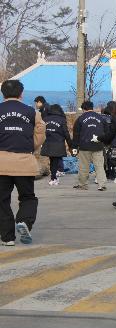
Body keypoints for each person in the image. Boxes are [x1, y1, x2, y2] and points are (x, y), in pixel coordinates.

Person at [0, 80, 45, 246]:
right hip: (24, 162)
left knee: (2, 200)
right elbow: (40, 135)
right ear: (21, 94)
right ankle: (24, 221)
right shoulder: (32, 112)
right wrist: (27, 146)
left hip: (1, 163)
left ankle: (7, 237)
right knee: (27, 197)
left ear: (3, 93)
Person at [72, 101, 107, 191]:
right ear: (92, 107)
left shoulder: (80, 119)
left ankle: (83, 184)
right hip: (98, 145)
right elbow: (106, 131)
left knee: (83, 166)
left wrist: (74, 147)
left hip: (84, 146)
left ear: (83, 109)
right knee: (99, 166)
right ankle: (102, 184)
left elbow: (76, 134)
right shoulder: (101, 118)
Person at [40, 104, 73, 186]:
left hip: (48, 143)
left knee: (52, 160)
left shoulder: (45, 119)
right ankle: (54, 178)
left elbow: (41, 131)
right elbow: (66, 133)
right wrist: (70, 145)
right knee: (55, 160)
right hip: (58, 143)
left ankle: (53, 177)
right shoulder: (62, 119)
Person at [101, 101, 116, 183]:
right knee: (114, 158)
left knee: (104, 158)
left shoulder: (102, 117)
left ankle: (106, 174)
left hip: (103, 140)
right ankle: (114, 175)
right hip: (114, 140)